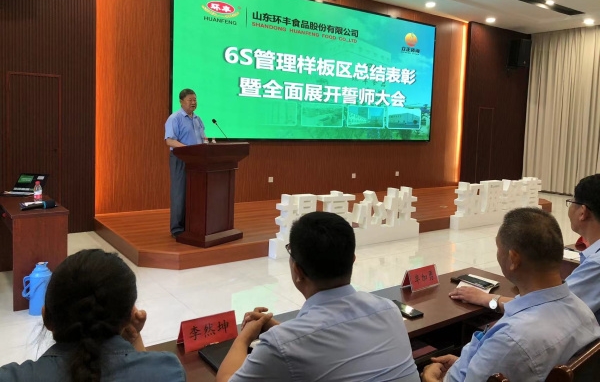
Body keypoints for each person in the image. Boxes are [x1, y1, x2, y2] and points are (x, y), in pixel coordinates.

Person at [216, 211, 419, 382]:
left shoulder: (281, 346)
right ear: (353, 260)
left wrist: (244, 337)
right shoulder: (389, 310)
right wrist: (279, 329)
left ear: (297, 270)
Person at [421, 208, 600, 382]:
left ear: (514, 259)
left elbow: (507, 354)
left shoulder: (511, 340)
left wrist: (430, 379)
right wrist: (468, 362)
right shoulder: (582, 309)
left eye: (498, 248)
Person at [0, 249, 185, 382]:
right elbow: (148, 371)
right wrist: (135, 340)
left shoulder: (10, 377)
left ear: (46, 317)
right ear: (129, 316)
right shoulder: (168, 371)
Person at [449, 174, 600, 323]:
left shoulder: (596, 265)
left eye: (571, 202)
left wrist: (487, 299)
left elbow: (550, 307)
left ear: (583, 212)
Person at [165, 88, 206, 237]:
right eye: (190, 100)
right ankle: (177, 229)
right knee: (180, 193)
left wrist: (207, 144)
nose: (193, 102)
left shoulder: (197, 119)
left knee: (195, 193)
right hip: (180, 159)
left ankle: (191, 225)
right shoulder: (174, 118)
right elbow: (170, 141)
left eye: (195, 100)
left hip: (197, 160)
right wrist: (188, 149)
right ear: (181, 102)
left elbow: (202, 137)